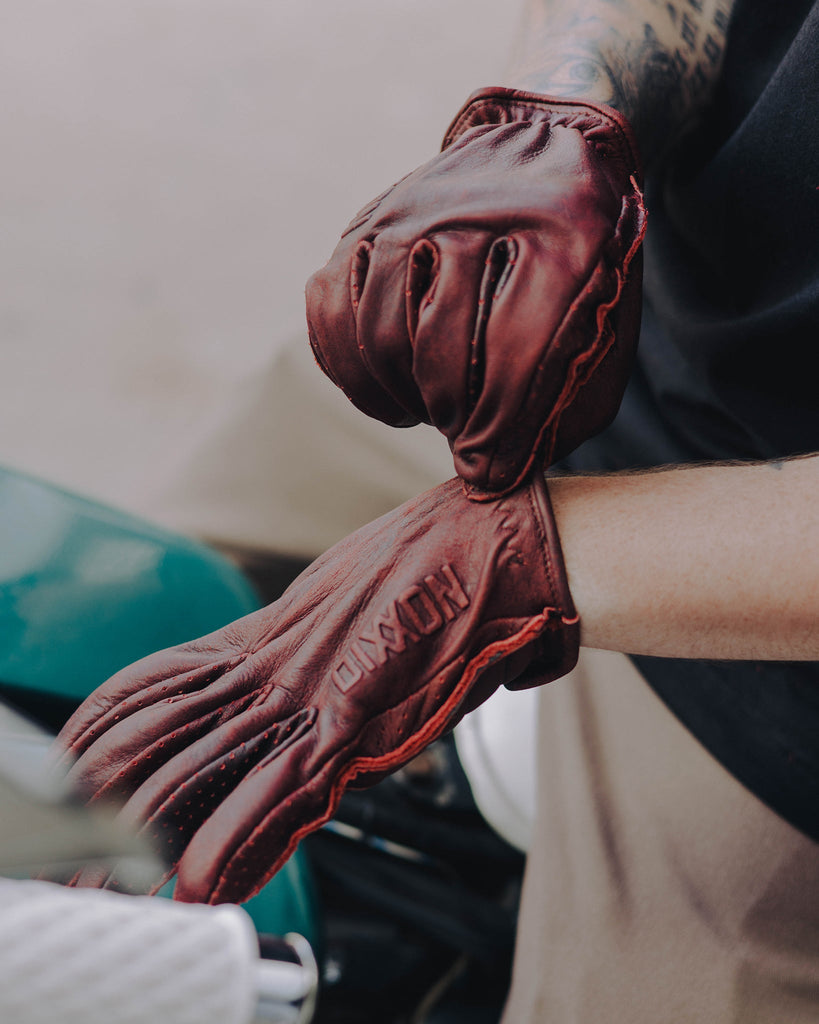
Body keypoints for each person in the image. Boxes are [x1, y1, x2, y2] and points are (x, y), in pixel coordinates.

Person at [54, 0, 819, 1021]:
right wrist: (557, 120)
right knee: (85, 614)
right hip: (586, 346)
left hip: (772, 692)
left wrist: (516, 566)